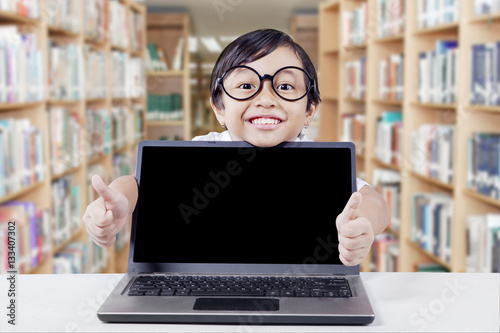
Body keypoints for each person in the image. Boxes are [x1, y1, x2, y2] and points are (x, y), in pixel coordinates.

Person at [83, 29, 390, 266]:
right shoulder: (198, 152)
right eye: (245, 85)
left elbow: (374, 201)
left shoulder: (324, 164)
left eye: (285, 86)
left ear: (309, 109)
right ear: (219, 107)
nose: (266, 98)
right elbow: (138, 184)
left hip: (306, 285)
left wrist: (364, 223)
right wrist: (118, 201)